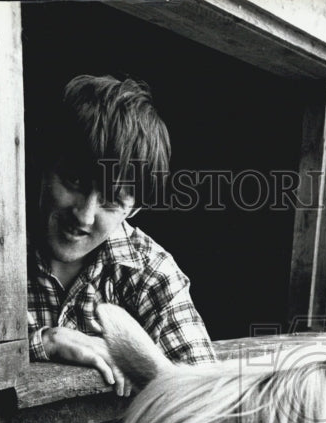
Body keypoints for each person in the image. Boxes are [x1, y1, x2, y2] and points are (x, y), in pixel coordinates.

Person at [28, 74, 215, 395]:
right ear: (44, 168)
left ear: (134, 209)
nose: (84, 215)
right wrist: (45, 340)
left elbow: (202, 393)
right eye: (74, 181)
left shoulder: (152, 273)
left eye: (111, 201)